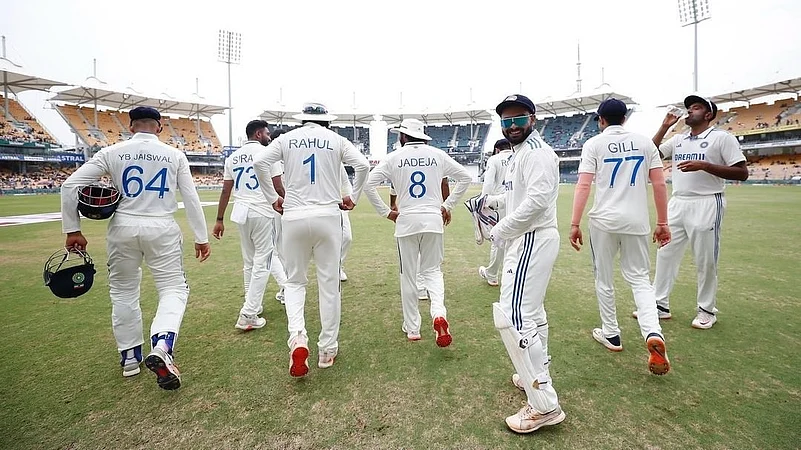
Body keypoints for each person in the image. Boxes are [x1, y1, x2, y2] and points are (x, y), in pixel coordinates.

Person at [60, 106, 210, 390]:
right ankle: (162, 345)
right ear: (159, 127)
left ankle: (130, 358)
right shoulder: (175, 155)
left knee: (123, 291)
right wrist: (201, 237)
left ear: (130, 127)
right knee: (173, 289)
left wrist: (73, 229)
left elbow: (69, 187)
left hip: (122, 226)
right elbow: (191, 199)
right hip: (162, 226)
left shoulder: (111, 152)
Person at [252, 102, 370, 377]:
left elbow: (260, 163)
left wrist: (273, 198)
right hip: (328, 216)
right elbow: (362, 166)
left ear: (302, 121)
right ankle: (327, 349)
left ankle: (298, 337)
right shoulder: (336, 139)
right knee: (329, 284)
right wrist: (353, 196)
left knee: (295, 282)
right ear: (327, 121)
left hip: (293, 215)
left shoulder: (286, 139)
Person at [568, 98, 671, 376]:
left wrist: (574, 223)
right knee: (639, 278)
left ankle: (612, 334)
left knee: (604, 277)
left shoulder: (594, 144)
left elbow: (583, 185)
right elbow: (659, 183)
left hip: (603, 220)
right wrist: (662, 222)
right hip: (636, 220)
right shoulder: (645, 143)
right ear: (625, 118)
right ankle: (652, 331)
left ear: (601, 119)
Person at [488, 94, 565, 433]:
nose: (513, 124)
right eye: (506, 120)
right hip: (531, 236)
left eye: (519, 118)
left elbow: (537, 201)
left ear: (533, 119)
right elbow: (520, 194)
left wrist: (501, 230)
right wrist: (490, 202)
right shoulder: (520, 154)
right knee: (532, 314)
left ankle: (544, 404)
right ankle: (535, 373)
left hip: (532, 236)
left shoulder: (536, 154)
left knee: (512, 317)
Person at [363, 118, 471, 345]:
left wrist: (386, 212)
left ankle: (413, 327)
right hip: (433, 220)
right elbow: (465, 177)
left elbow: (368, 184)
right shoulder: (437, 154)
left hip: (406, 222)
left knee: (408, 276)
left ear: (403, 136)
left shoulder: (393, 158)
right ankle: (438, 313)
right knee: (432, 271)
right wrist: (447, 206)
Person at [645, 95, 748, 329]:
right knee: (665, 253)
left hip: (707, 201)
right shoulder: (679, 139)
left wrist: (705, 166)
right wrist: (664, 127)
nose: (689, 111)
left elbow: (742, 173)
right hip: (678, 201)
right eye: (688, 108)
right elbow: (652, 153)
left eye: (696, 108)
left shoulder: (722, 138)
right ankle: (659, 305)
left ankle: (706, 310)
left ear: (709, 115)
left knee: (705, 259)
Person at [212, 120, 282, 330]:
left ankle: (253, 303)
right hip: (262, 210)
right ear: (259, 134)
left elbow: (225, 191)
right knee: (264, 261)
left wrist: (219, 219)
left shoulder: (232, 157)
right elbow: (278, 186)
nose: (269, 136)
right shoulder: (269, 154)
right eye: (267, 133)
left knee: (249, 261)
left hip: (241, 212)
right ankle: (249, 312)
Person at [389, 177, 450, 300]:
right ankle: (437, 306)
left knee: (413, 256)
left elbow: (394, 184)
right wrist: (447, 206)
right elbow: (444, 182)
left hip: (409, 216)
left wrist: (392, 203)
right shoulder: (436, 158)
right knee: (432, 265)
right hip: (432, 215)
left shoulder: (401, 159)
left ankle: (420, 288)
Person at [477, 138, 512, 286]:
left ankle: (492, 274)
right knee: (516, 239)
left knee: (497, 239)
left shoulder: (494, 159)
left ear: (497, 149)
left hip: (499, 204)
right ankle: (513, 274)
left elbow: (489, 183)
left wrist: (483, 202)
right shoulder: (519, 155)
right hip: (518, 202)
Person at [339, 165, 353, 282]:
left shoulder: (337, 163)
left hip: (337, 205)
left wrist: (349, 197)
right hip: (315, 205)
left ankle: (338, 267)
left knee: (347, 237)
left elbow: (346, 183)